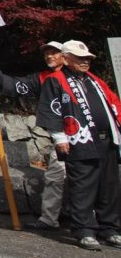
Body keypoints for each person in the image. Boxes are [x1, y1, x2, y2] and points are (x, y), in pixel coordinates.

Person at [36, 40, 121, 252]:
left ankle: (110, 228)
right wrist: (59, 137)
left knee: (108, 186)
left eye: (88, 58)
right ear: (65, 59)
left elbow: (113, 103)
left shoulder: (94, 80)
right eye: (80, 58)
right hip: (79, 141)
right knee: (83, 186)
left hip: (106, 140)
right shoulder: (55, 80)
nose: (85, 62)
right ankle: (85, 231)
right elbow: (51, 109)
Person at [0, 40, 67, 231]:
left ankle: (96, 221)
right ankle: (49, 219)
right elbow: (17, 86)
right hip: (60, 136)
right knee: (55, 178)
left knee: (89, 179)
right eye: (47, 54)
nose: (49, 57)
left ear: (66, 55)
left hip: (84, 136)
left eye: (54, 53)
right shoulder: (43, 78)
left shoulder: (80, 78)